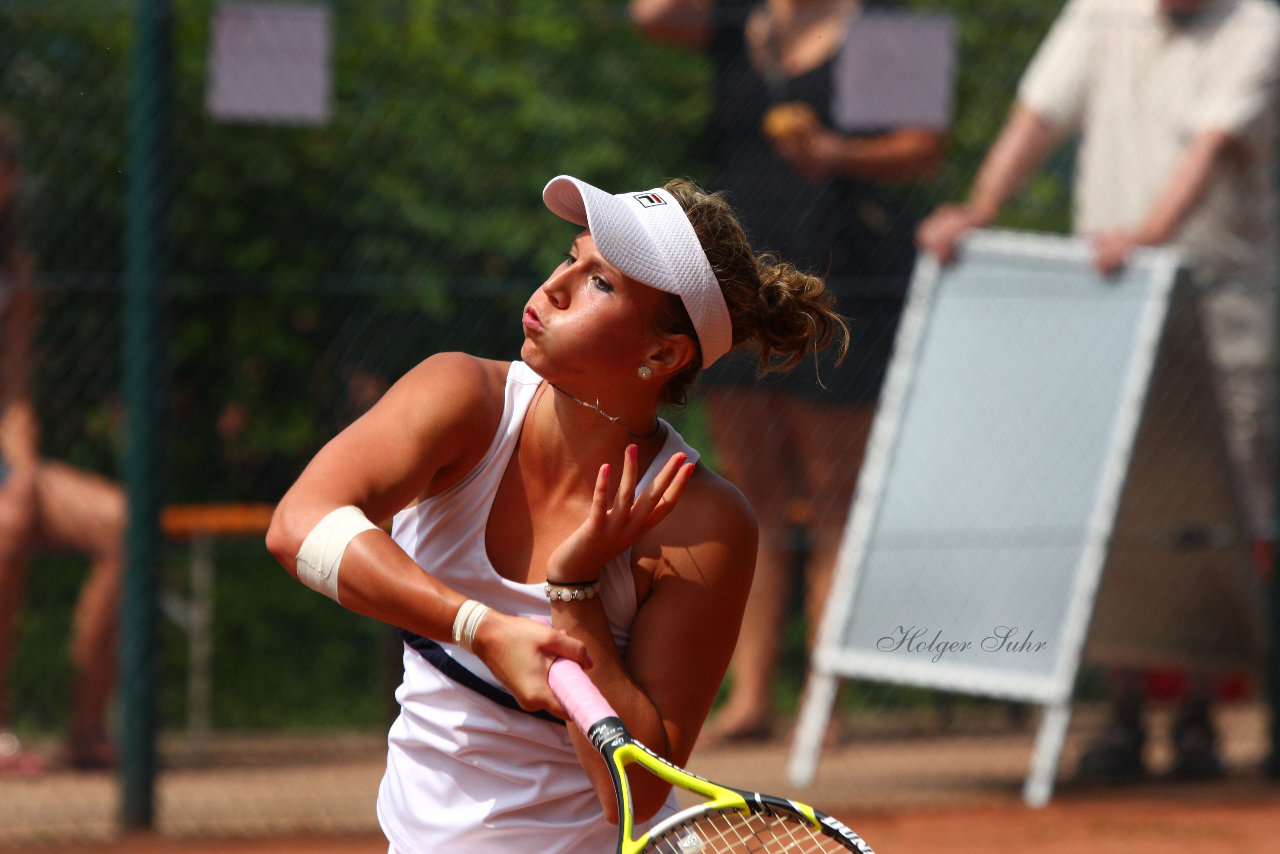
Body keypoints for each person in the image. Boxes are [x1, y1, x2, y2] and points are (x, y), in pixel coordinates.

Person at [264, 174, 847, 853]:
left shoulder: (701, 520)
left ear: (663, 354)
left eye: (602, 283)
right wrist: (479, 630)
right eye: (572, 257)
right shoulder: (462, 397)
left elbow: (633, 791)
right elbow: (298, 525)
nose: (555, 287)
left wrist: (575, 593)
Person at [915, 0, 1280, 780]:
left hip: (1224, 310)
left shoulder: (1259, 29)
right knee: (1109, 510)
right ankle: (1119, 715)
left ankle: (1199, 717)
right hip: (1115, 303)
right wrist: (978, 210)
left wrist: (1147, 237)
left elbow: (1212, 149)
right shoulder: (1098, 12)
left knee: (1220, 511)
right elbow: (1037, 118)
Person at [631, 0, 945, 744]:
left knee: (835, 497)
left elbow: (925, 148)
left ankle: (822, 702)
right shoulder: (739, 19)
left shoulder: (884, 24)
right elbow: (649, 15)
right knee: (749, 493)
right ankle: (748, 699)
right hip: (736, 283)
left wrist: (837, 154)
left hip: (846, 282)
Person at [0, 118, 126, 774]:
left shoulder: (16, 267)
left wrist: (19, 469)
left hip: (2, 458)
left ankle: (85, 729)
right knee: (7, 527)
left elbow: (16, 392)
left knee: (125, 524)